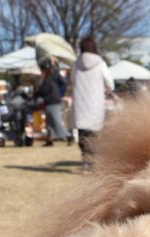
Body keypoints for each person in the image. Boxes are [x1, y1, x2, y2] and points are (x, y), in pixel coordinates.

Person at [71, 36, 114, 171]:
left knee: (82, 134)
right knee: (95, 135)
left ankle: (85, 161)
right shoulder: (100, 63)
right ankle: (94, 161)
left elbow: (72, 80)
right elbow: (110, 83)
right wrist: (106, 90)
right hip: (95, 103)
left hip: (80, 104)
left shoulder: (75, 64)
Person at [37, 58, 70, 147]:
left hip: (53, 101)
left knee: (55, 121)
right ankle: (50, 139)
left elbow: (43, 90)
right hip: (50, 101)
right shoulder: (49, 77)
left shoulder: (51, 77)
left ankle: (68, 136)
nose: (41, 71)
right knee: (49, 122)